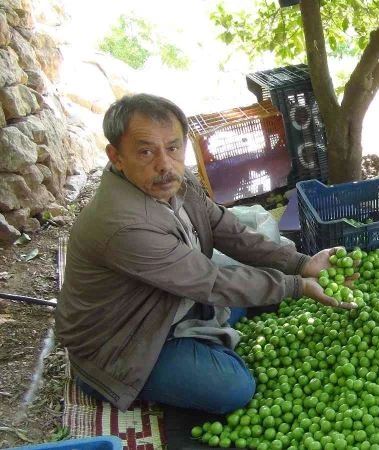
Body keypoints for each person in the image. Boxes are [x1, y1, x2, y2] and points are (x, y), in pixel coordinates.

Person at [55, 94, 355, 413]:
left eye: (173, 147)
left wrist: (302, 264)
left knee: (260, 292)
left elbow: (225, 228)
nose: (164, 165)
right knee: (234, 388)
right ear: (116, 156)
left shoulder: (176, 179)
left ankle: (206, 339)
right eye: (145, 151)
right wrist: (298, 286)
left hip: (168, 303)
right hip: (121, 345)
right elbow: (210, 283)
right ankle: (192, 351)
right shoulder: (124, 226)